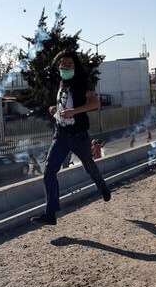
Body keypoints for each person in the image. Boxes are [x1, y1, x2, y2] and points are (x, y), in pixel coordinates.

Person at [30, 50, 111, 226]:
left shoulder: (81, 84)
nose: (66, 66)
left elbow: (95, 103)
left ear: (75, 66)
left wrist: (75, 111)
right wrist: (55, 109)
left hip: (79, 136)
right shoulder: (61, 84)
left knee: (89, 166)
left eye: (69, 64)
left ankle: (102, 187)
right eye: (63, 64)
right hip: (61, 135)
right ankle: (50, 214)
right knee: (49, 172)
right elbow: (64, 105)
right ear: (59, 67)